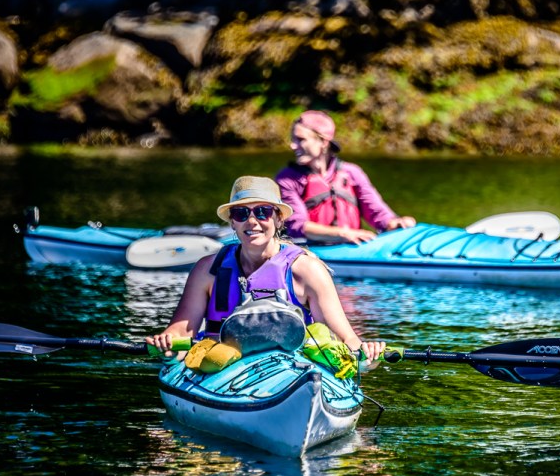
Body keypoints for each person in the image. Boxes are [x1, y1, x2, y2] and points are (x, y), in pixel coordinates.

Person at [146, 175, 385, 366]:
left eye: (263, 212)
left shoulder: (307, 270)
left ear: (279, 219)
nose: (252, 222)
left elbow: (345, 339)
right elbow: (182, 329)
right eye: (241, 214)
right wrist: (166, 341)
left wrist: (367, 355)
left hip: (291, 369)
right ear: (232, 222)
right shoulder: (208, 269)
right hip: (221, 366)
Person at [275, 110, 416, 244]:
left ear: (323, 142)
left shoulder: (352, 173)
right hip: (309, 251)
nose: (293, 145)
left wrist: (395, 223)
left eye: (300, 139)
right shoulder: (286, 179)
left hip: (350, 248)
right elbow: (297, 226)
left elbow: (377, 213)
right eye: (293, 139)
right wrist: (343, 234)